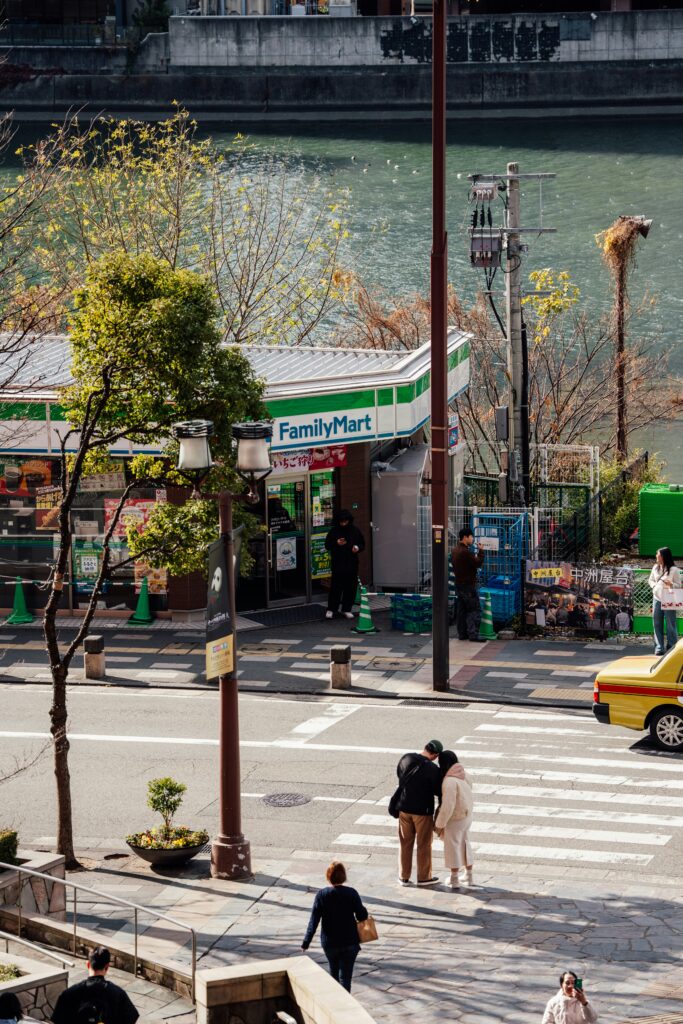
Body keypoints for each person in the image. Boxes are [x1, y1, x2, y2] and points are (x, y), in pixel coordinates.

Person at [301, 860, 368, 993]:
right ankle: (346, 1002)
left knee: (334, 974)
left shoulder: (321, 895)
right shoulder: (351, 893)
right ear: (343, 876)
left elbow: (314, 921)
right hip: (350, 942)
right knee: (346, 978)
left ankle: (336, 1000)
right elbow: (362, 916)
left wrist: (306, 942)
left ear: (328, 876)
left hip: (330, 943)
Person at [394, 739, 443, 886]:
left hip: (404, 808)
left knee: (405, 843)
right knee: (424, 844)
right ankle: (424, 877)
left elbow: (399, 775)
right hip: (422, 811)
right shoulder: (433, 769)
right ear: (435, 755)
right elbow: (438, 790)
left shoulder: (406, 758)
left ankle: (403, 876)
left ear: (425, 747)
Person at [52, 946, 139, 1024]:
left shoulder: (70, 994)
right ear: (107, 967)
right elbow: (131, 1017)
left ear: (88, 964)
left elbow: (58, 1019)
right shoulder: (118, 994)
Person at [434, 750, 474, 890]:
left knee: (452, 847)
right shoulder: (464, 774)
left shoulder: (450, 781)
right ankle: (469, 875)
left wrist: (439, 824)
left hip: (455, 818)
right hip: (467, 815)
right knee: (465, 843)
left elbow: (448, 806)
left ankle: (454, 879)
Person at [324, 509, 365, 620]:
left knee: (350, 588)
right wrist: (336, 543)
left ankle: (347, 609)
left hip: (352, 563)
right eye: (341, 521)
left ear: (349, 520)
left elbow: (362, 543)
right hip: (338, 563)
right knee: (335, 587)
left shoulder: (355, 531)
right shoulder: (334, 531)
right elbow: (327, 545)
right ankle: (331, 609)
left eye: (345, 521)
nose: (343, 523)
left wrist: (357, 547)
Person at [451, 527, 485, 642]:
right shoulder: (465, 552)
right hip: (468, 585)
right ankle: (473, 634)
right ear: (465, 537)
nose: (472, 539)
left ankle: (462, 634)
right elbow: (478, 563)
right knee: (473, 609)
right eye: (471, 537)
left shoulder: (455, 550)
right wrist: (481, 551)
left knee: (462, 610)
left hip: (459, 584)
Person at [648, 546, 681, 655]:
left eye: (657, 554)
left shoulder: (674, 570)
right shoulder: (655, 567)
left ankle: (672, 646)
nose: (656, 556)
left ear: (663, 556)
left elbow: (678, 585)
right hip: (657, 598)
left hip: (669, 597)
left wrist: (671, 584)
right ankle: (659, 647)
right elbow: (650, 580)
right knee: (657, 622)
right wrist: (654, 587)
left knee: (670, 623)